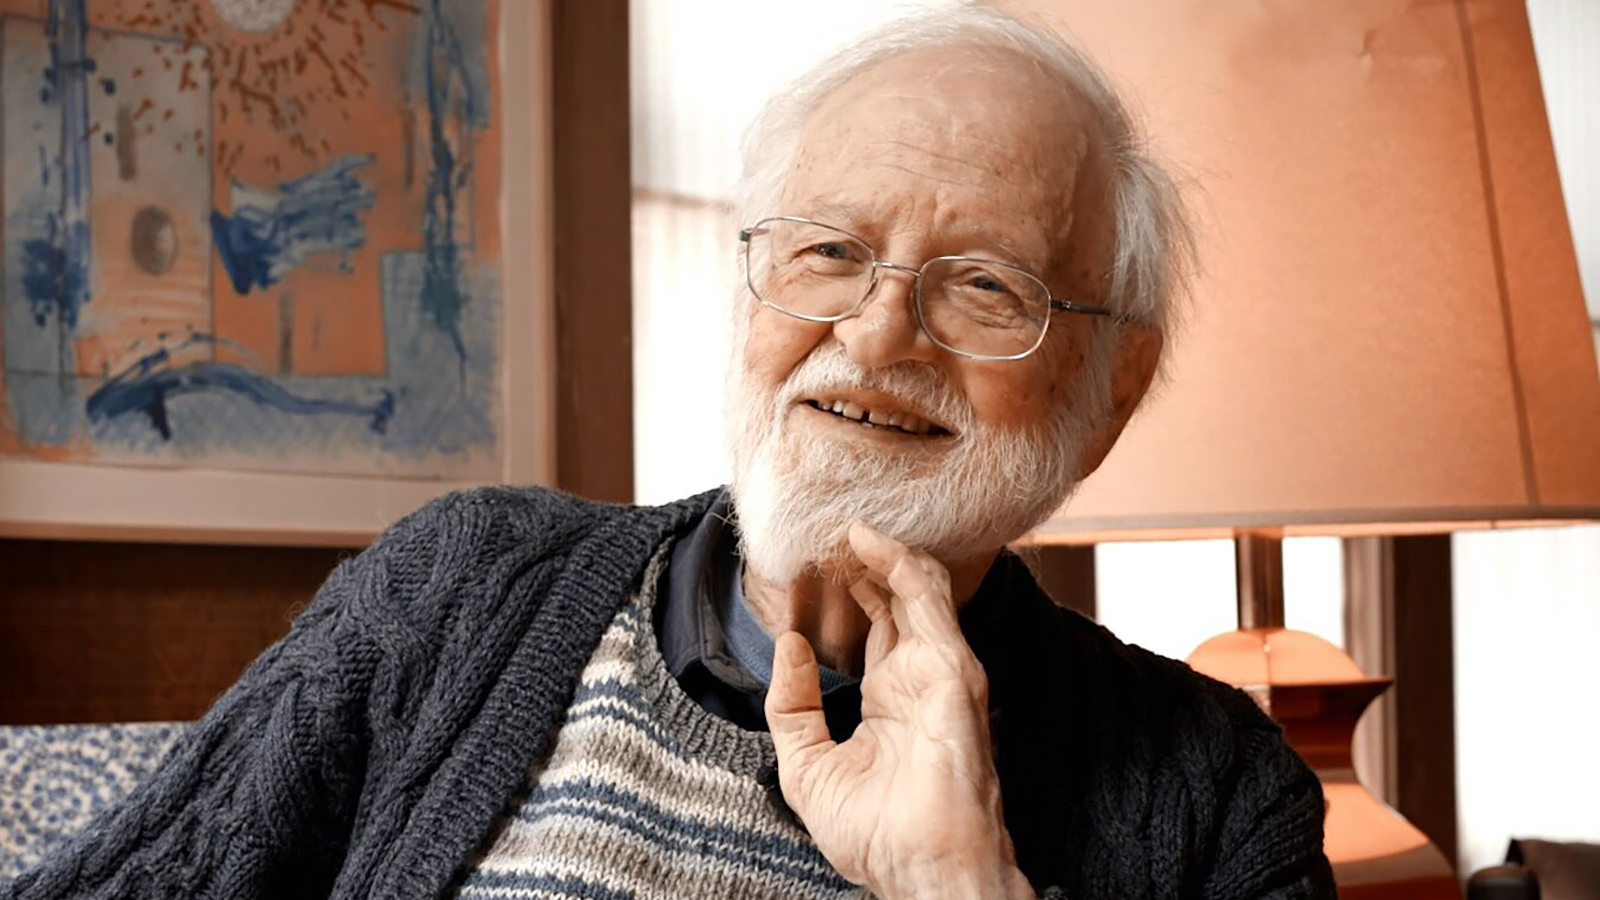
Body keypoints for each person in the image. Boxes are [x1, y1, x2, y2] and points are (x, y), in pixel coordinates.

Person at [6, 6, 1334, 900]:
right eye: (827, 251)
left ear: (1112, 386)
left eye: (985, 286)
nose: (877, 335)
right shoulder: (459, 588)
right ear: (752, 286)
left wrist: (957, 882)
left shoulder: (1219, 800)